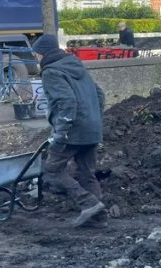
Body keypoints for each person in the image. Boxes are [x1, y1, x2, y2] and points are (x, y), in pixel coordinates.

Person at [31, 33, 108, 228]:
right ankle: (98, 218)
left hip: (73, 131)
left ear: (43, 54)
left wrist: (60, 132)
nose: (36, 58)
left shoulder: (51, 72)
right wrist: (94, 119)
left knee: (52, 170)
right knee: (87, 173)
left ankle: (88, 203)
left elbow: (66, 102)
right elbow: (99, 94)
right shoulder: (76, 66)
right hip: (91, 129)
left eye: (36, 54)